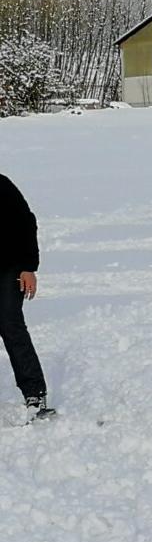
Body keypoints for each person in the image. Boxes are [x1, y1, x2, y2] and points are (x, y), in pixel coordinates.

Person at [0, 173, 53, 419]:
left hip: (10, 267)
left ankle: (35, 394)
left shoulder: (1, 185)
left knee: (10, 324)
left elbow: (26, 222)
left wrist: (29, 267)